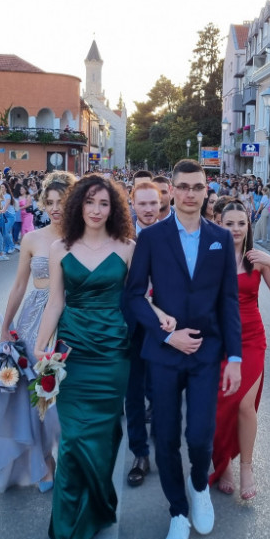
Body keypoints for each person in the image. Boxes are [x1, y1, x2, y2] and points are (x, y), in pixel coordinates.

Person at [125, 159, 243, 539]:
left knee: (199, 434)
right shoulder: (152, 238)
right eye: (184, 187)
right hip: (163, 353)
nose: (191, 194)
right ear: (171, 191)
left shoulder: (220, 238)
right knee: (166, 436)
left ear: (207, 191)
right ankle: (178, 512)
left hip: (207, 353)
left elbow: (228, 301)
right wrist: (166, 334)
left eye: (198, 187)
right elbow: (133, 296)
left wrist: (235, 357)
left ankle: (198, 486)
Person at [34, 175, 136, 539]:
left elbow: (138, 299)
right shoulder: (60, 248)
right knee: (74, 441)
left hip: (112, 354)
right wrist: (42, 347)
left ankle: (97, 506)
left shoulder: (128, 248)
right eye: (90, 201)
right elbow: (55, 303)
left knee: (104, 438)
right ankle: (70, 531)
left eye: (104, 203)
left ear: (114, 209)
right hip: (72, 353)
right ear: (78, 204)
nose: (96, 209)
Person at [0, 172, 74, 492]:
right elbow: (20, 284)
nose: (56, 208)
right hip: (33, 320)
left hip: (71, 318)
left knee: (66, 395)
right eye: (50, 202)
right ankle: (44, 462)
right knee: (37, 395)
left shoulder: (83, 237)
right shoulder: (33, 239)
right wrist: (6, 325)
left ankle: (71, 458)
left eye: (62, 201)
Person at [210, 200, 270, 500]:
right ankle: (223, 464)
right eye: (229, 223)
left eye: (241, 223)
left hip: (251, 339)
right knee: (221, 408)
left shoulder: (256, 260)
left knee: (244, 405)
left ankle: (246, 466)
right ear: (218, 224)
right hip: (218, 341)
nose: (236, 229)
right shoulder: (208, 257)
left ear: (248, 225)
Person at [125, 181, 162, 487]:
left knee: (163, 392)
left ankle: (163, 444)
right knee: (133, 394)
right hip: (133, 325)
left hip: (166, 326)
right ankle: (140, 453)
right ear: (133, 205)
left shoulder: (173, 236)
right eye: (143, 204)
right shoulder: (122, 239)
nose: (148, 209)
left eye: (153, 203)